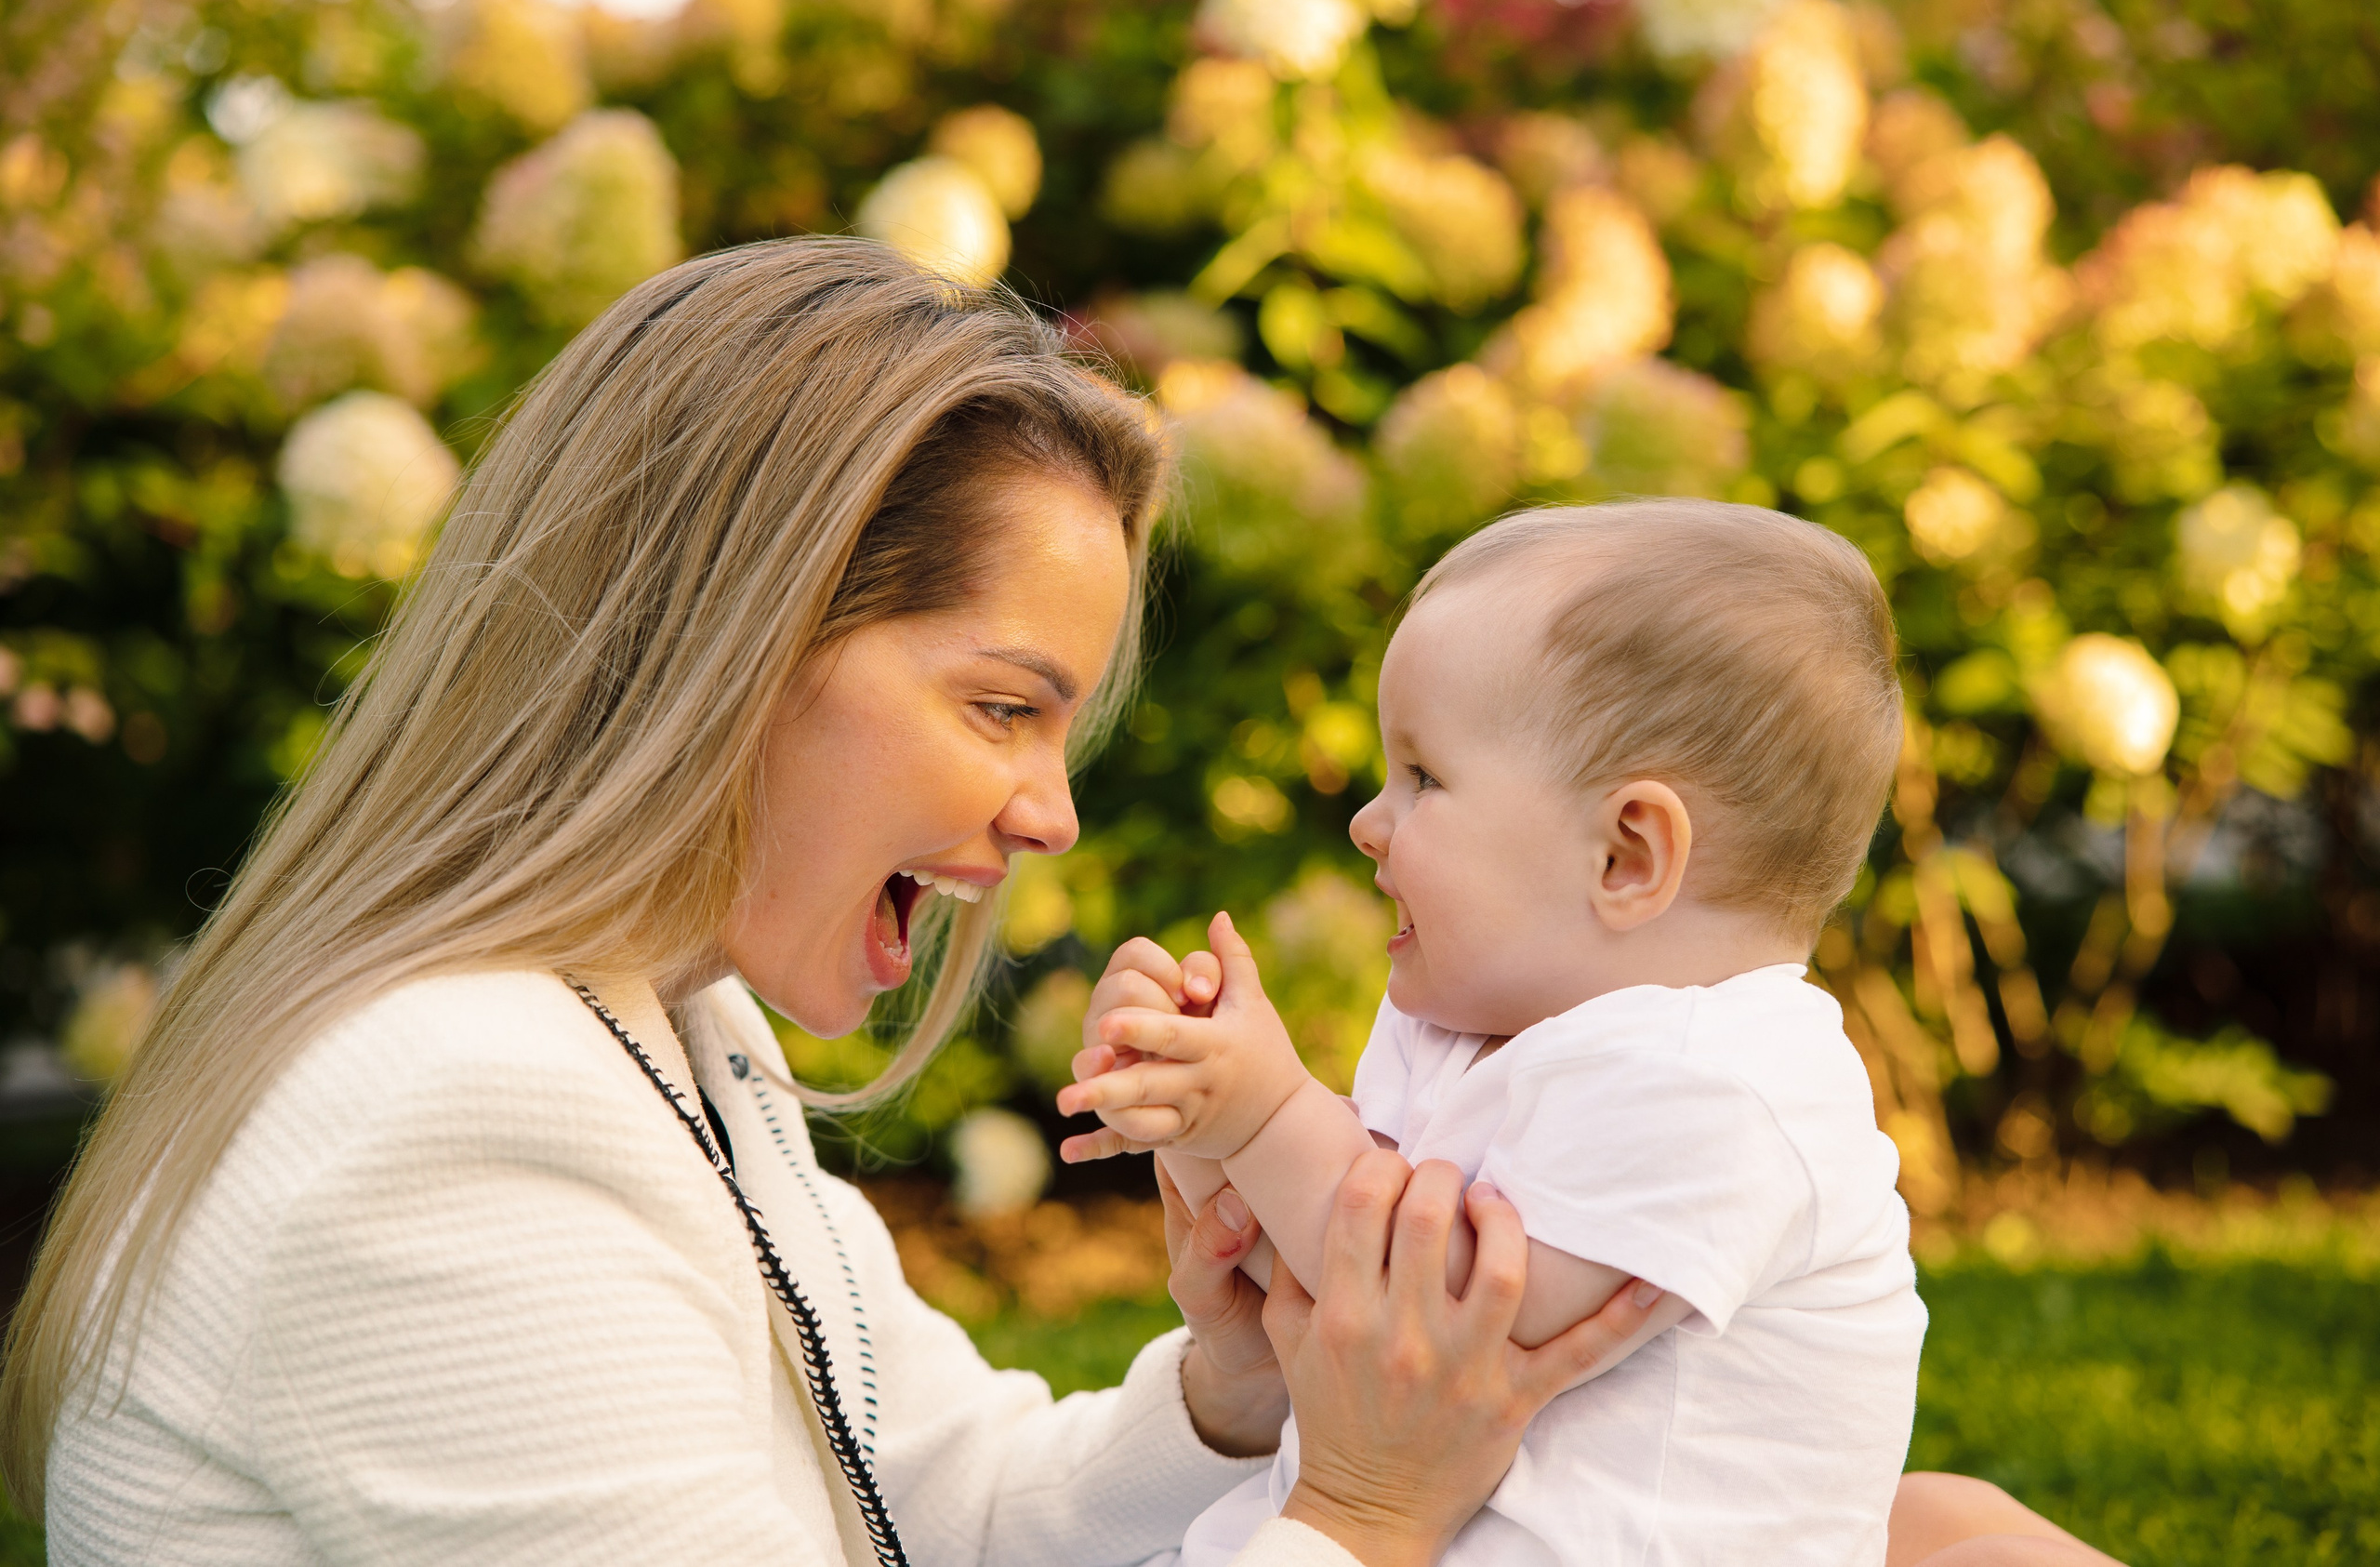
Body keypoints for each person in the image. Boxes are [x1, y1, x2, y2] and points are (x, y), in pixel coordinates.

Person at [0, 237, 2116, 1567]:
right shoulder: (441, 1123)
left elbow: (930, 1497)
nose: (1043, 812)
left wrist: (1243, 1386)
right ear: (733, 646)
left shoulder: (652, 1028)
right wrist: (1360, 1518)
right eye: (1001, 705)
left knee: (1927, 1529)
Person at [1059, 502, 1929, 1565]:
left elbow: (1458, 1315)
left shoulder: (1723, 1081)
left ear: (1625, 856)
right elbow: (1320, 1245)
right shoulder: (1471, 1031)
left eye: (1423, 778)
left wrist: (1266, 1113)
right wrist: (1195, 1115)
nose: (1367, 821)